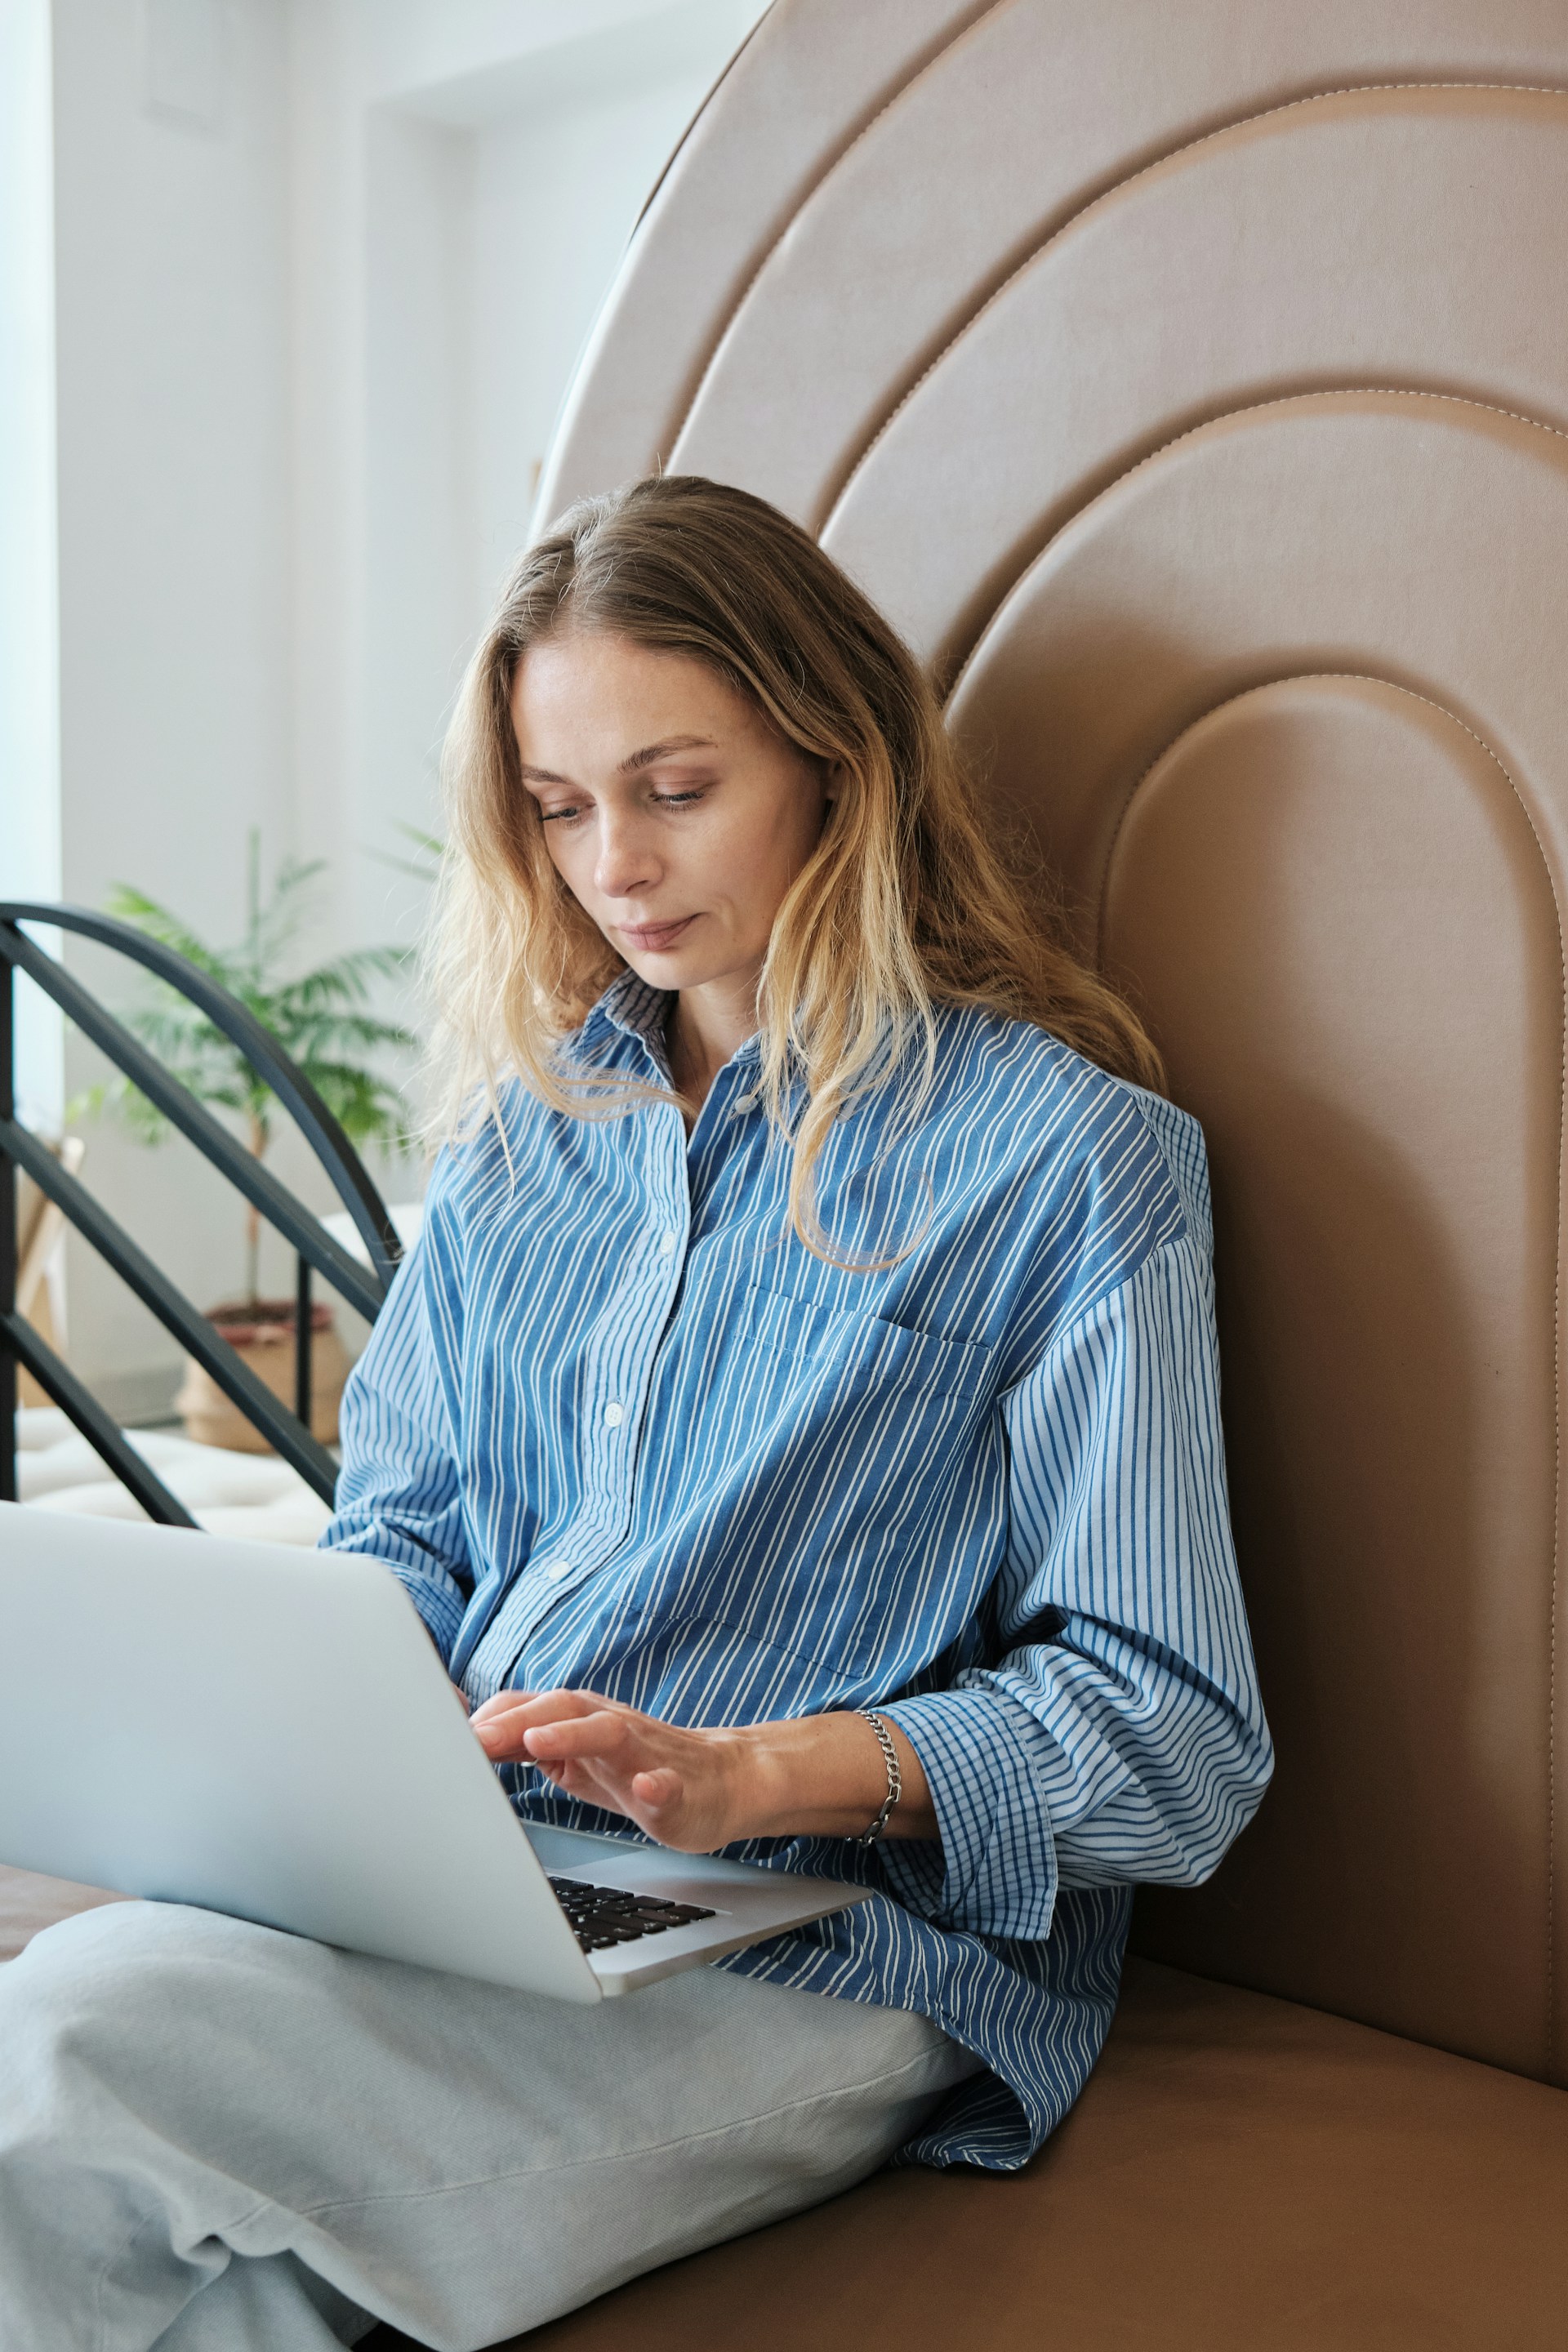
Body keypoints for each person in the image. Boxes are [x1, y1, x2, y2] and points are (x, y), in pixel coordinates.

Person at [0, 476, 1272, 2350]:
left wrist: (766, 1771)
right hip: (488, 1881)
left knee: (73, 2056)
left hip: (824, 1952)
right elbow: (406, 1540)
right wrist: (354, 1735)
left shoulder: (1068, 1163)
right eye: (561, 808)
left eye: (678, 790)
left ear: (839, 763)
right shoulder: (527, 1140)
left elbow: (1173, 1735)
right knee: (196, 2253)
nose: (617, 865)